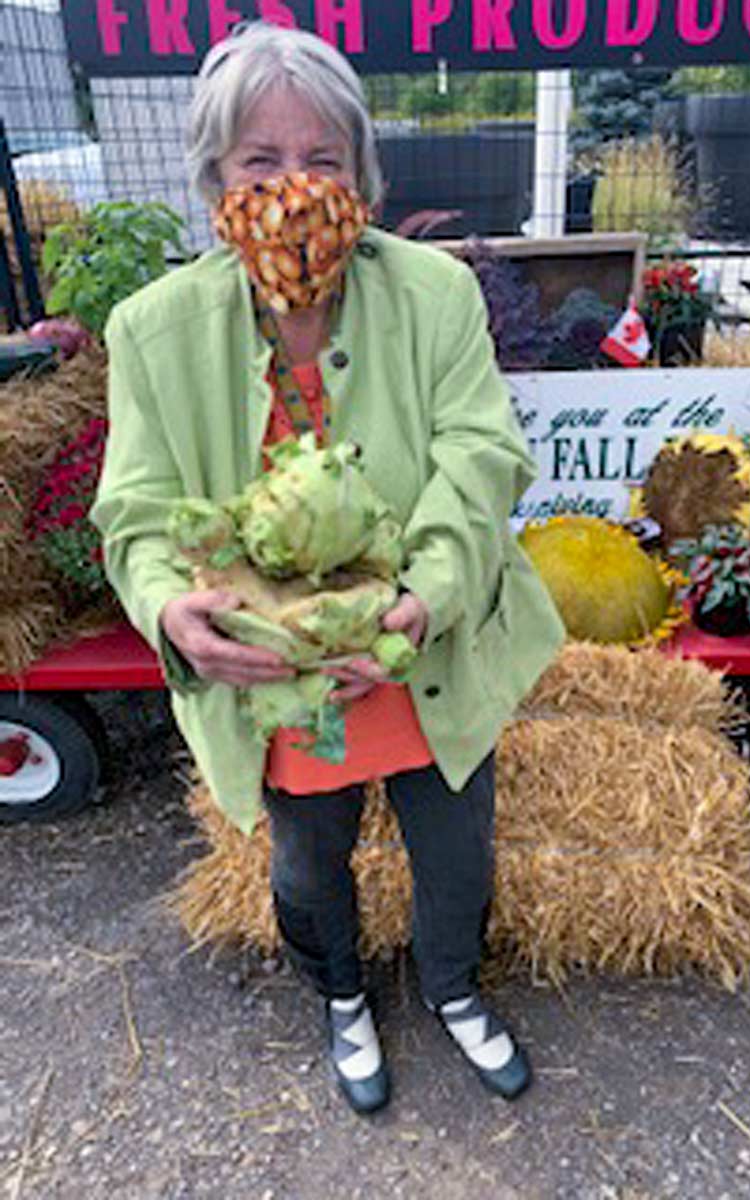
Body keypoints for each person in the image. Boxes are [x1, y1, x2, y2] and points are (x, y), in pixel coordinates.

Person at [91, 21, 564, 1117]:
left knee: (456, 847)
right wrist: (173, 610)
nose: (295, 187)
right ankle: (342, 996)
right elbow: (138, 511)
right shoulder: (153, 329)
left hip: (425, 643)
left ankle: (451, 989)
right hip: (281, 676)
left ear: (363, 170)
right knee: (307, 868)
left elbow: (479, 458)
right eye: (260, 161)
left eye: (324, 158)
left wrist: (414, 606)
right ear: (215, 176)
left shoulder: (434, 297)